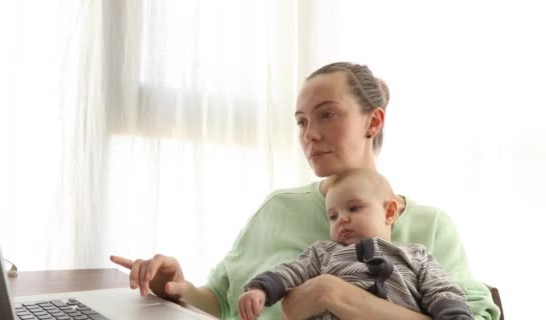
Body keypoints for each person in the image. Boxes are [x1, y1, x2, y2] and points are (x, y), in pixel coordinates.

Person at [110, 62, 500, 320]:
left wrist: (337, 295)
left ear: (374, 121)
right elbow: (221, 303)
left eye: (327, 114)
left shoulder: (429, 228)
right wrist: (178, 289)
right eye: (301, 121)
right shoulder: (277, 208)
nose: (309, 134)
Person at [237, 168, 472, 320]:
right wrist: (261, 288)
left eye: (354, 208)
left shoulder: (417, 256)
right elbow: (289, 271)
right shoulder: (322, 253)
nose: (342, 219)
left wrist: (455, 315)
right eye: (333, 216)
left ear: (389, 212)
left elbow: (441, 290)